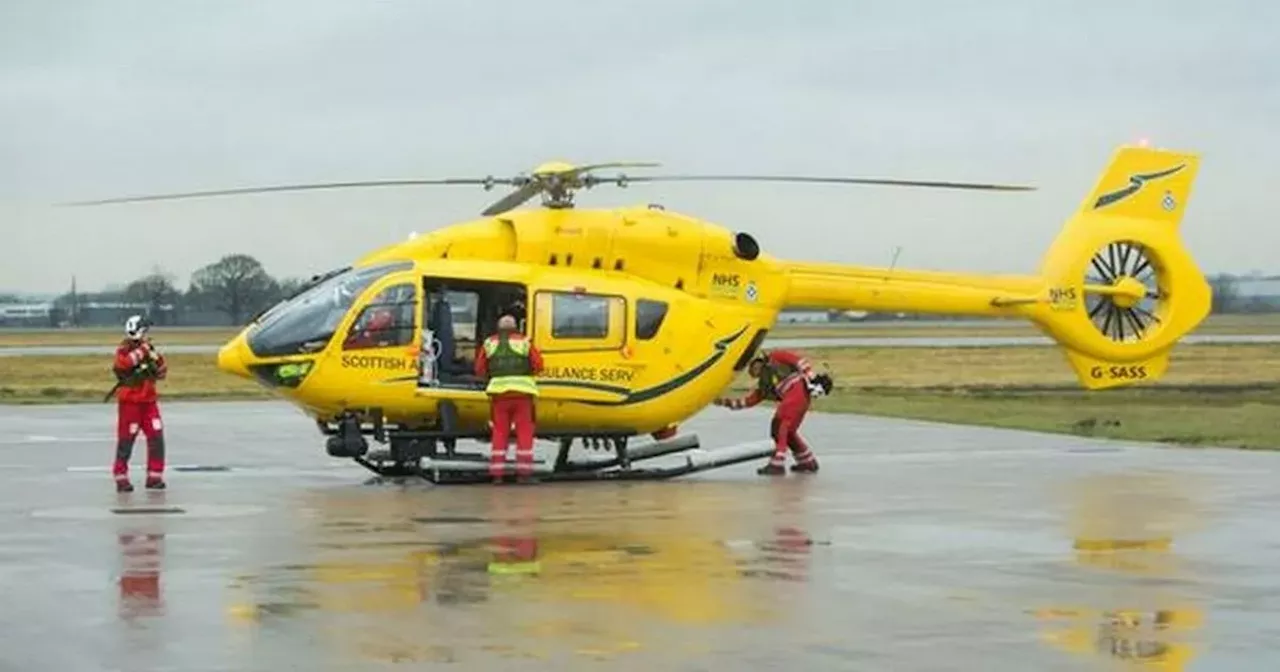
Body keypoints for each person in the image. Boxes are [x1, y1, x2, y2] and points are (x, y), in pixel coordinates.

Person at [714, 349, 831, 476]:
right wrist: (724, 402)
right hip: (799, 398)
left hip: (796, 393)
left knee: (781, 424)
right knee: (787, 432)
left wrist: (811, 377)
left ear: (759, 361)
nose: (753, 370)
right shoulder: (765, 386)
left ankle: (777, 464)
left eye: (754, 366)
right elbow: (748, 401)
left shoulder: (776, 356)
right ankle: (807, 461)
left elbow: (798, 361)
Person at [473, 314, 544, 482]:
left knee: (499, 432)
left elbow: (479, 369)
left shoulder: (490, 343)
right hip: (522, 395)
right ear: (516, 326)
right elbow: (538, 365)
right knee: (524, 433)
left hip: (499, 396)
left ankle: (497, 475)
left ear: (498, 327)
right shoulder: (525, 342)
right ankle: (524, 474)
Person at [110, 315, 168, 492]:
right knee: (127, 439)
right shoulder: (123, 350)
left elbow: (161, 365)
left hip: (149, 402)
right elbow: (124, 364)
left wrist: (158, 366)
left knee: (157, 437)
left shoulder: (149, 348)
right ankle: (121, 477)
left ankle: (154, 476)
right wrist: (142, 350)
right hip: (131, 403)